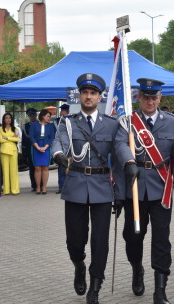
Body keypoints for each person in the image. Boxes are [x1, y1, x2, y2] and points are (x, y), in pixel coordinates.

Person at [115, 78, 174, 304]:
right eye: (146, 97)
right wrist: (129, 161)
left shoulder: (171, 123)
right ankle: (136, 267)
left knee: (162, 239)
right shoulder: (129, 122)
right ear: (139, 98)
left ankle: (160, 290)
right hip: (135, 188)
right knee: (133, 237)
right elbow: (120, 145)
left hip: (162, 189)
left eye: (154, 97)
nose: (150, 101)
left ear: (160, 98)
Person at [52, 73, 124, 304]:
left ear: (99, 97)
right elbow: (59, 141)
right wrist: (60, 156)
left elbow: (120, 154)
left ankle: (95, 286)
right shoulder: (68, 122)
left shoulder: (112, 124)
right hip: (76, 185)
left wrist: (122, 187)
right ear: (80, 96)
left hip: (102, 187)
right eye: (85, 92)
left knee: (100, 240)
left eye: (93, 93)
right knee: (75, 240)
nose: (89, 96)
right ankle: (79, 264)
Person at [30, 109, 56, 195]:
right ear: (42, 116)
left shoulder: (51, 126)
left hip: (46, 147)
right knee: (37, 168)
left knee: (45, 167)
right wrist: (37, 147)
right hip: (35, 146)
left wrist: (45, 147)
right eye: (48, 116)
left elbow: (52, 137)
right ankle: (38, 187)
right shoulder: (33, 125)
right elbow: (31, 137)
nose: (49, 118)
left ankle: (44, 187)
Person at [0, 113, 20, 195]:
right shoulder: (0, 129)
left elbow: (17, 139)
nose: (8, 119)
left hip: (13, 151)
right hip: (4, 151)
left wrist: (7, 138)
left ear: (11, 119)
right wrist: (12, 138)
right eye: (6, 118)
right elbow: (0, 140)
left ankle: (15, 190)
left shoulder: (15, 129)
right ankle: (6, 190)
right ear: (4, 119)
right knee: (5, 171)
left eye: (9, 118)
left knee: (14, 171)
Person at [22, 108, 38, 192]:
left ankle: (41, 184)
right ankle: (34, 185)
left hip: (39, 149)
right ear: (28, 116)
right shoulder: (25, 126)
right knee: (32, 168)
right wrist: (24, 153)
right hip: (29, 150)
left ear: (36, 115)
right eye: (30, 115)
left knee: (39, 167)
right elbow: (24, 140)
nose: (32, 116)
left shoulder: (40, 123)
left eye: (34, 114)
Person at [55, 104, 70, 194]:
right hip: (60, 147)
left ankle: (69, 186)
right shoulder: (57, 121)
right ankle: (61, 186)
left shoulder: (71, 120)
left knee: (70, 168)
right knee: (61, 167)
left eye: (64, 110)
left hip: (70, 146)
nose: (62, 112)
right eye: (61, 110)